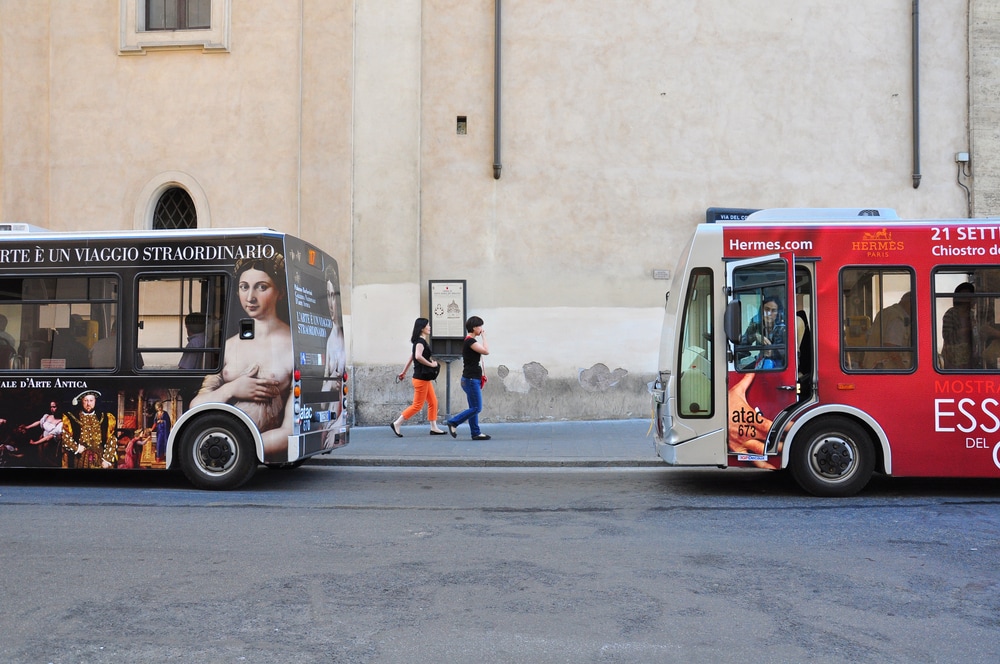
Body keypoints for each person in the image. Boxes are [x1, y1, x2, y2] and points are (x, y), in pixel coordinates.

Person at [190, 254, 293, 458]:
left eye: (262, 287)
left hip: (244, 444)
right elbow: (196, 405)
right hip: (226, 437)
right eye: (244, 287)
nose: (250, 297)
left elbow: (288, 432)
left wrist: (238, 450)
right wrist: (232, 388)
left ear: (280, 292)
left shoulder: (292, 345)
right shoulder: (229, 346)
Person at [390, 317, 445, 436]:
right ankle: (397, 423)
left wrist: (404, 372)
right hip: (421, 379)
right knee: (417, 405)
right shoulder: (420, 342)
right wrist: (432, 364)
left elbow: (412, 357)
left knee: (433, 402)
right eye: (427, 325)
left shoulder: (419, 342)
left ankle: (434, 427)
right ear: (422, 328)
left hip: (423, 378)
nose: (429, 327)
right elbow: (418, 356)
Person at [445, 316, 491, 440]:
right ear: (474, 327)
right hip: (471, 380)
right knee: (477, 407)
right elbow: (486, 351)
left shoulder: (471, 341)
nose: (481, 328)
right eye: (480, 326)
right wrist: (484, 337)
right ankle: (454, 422)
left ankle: (475, 432)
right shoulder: (470, 341)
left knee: (473, 407)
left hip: (471, 379)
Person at [941, 283, 1000, 369]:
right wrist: (969, 329)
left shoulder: (974, 314)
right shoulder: (951, 313)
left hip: (972, 358)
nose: (969, 299)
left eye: (971, 296)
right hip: (954, 358)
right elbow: (947, 336)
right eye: (966, 296)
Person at [61, 390, 117, 469]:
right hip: (80, 459)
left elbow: (112, 438)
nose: (88, 404)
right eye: (86, 400)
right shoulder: (71, 418)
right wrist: (76, 447)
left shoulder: (105, 418)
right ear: (81, 401)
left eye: (91, 400)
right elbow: (63, 435)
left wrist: (107, 459)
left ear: (95, 401)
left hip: (100, 459)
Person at [863, 292, 912, 369]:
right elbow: (891, 347)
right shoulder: (898, 318)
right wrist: (904, 369)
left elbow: (868, 337)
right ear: (910, 303)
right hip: (887, 370)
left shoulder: (885, 312)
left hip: (874, 366)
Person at [739, 296, 787, 368]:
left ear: (778, 313)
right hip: (761, 360)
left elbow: (789, 353)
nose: (769, 313)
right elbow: (741, 344)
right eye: (767, 309)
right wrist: (754, 336)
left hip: (781, 366)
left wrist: (773, 352)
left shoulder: (783, 328)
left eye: (773, 310)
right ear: (761, 310)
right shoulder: (756, 324)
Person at [20, 400, 64, 467]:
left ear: (59, 407)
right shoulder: (47, 416)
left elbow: (50, 437)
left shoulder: (61, 422)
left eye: (54, 407)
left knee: (48, 460)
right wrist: (27, 427)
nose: (52, 409)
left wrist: (35, 443)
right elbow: (39, 422)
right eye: (51, 407)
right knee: (40, 459)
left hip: (50, 444)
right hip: (42, 438)